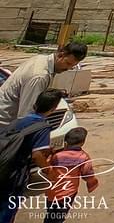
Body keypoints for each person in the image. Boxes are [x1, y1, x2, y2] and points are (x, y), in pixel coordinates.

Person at [0, 89, 62, 223]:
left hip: (3, 166)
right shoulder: (42, 126)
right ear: (53, 108)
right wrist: (49, 171)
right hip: (14, 174)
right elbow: (37, 155)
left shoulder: (19, 121)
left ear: (35, 105)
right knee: (7, 210)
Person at [0, 43, 88, 128]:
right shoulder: (39, 76)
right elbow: (26, 114)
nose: (68, 68)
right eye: (68, 63)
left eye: (73, 66)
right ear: (61, 54)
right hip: (5, 123)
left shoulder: (41, 59)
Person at [44, 126, 99, 222]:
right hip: (68, 192)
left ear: (65, 142)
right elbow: (87, 174)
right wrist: (92, 183)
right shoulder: (83, 157)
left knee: (51, 214)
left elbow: (47, 167)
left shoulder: (56, 156)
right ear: (82, 143)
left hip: (51, 192)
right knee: (58, 217)